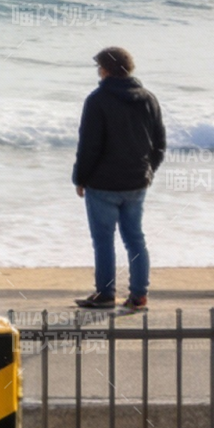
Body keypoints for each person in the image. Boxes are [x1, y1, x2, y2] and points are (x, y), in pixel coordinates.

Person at [73, 47, 166, 312]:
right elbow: (159, 143)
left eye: (99, 67)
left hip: (102, 184)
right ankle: (139, 296)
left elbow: (89, 146)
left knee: (104, 240)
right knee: (135, 238)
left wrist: (80, 178)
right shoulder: (148, 98)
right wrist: (149, 171)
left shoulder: (98, 99)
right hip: (136, 182)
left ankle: (105, 294)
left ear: (105, 70)